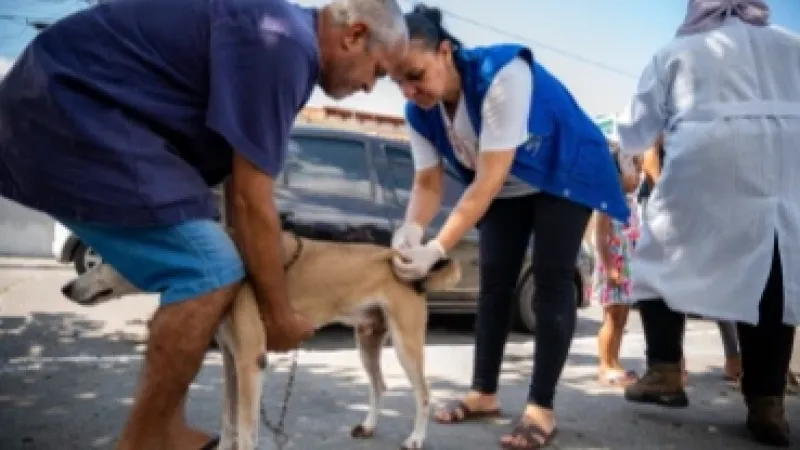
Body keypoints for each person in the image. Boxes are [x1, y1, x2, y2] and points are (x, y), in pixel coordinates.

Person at [0, 0, 408, 449]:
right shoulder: (285, 45)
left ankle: (167, 427)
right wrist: (277, 315)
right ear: (354, 36)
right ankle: (146, 440)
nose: (371, 87)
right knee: (206, 269)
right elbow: (253, 201)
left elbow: (238, 189)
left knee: (201, 264)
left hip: (67, 100)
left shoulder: (281, 38)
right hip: (70, 107)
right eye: (380, 72)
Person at [385, 5, 629, 449]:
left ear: (444, 52)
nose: (409, 89)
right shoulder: (420, 111)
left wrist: (437, 248)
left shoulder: (502, 73)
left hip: (563, 169)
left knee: (553, 278)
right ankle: (483, 393)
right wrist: (411, 231)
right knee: (494, 282)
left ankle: (541, 408)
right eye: (397, 80)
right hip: (508, 183)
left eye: (415, 74)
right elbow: (427, 181)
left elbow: (489, 177)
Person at [615, 0, 800, 446]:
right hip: (786, 163)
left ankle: (664, 370)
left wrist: (631, 143)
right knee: (773, 276)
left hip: (709, 154)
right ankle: (766, 403)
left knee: (660, 251)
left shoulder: (681, 50)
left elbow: (635, 129)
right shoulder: (792, 44)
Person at [638, 139, 742, 384]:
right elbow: (650, 159)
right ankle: (674, 366)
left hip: (685, 201)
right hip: (676, 202)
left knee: (682, 283)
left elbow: (651, 155)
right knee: (683, 283)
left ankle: (671, 369)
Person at [591, 146, 641, 387]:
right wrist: (609, 266)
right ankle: (605, 364)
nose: (638, 174)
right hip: (613, 265)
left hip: (627, 267)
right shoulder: (607, 200)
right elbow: (599, 236)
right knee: (611, 318)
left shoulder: (631, 201)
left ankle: (615, 361)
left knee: (622, 318)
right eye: (633, 168)